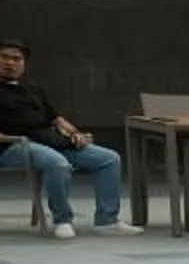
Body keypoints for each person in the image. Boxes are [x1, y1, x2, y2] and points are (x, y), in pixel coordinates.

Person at [0, 41, 133, 238]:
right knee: (57, 163)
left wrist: (74, 133)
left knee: (109, 158)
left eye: (16, 59)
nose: (10, 62)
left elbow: (57, 119)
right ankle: (62, 220)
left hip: (50, 140)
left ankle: (107, 220)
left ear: (24, 63)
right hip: (13, 144)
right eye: (4, 57)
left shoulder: (34, 90)